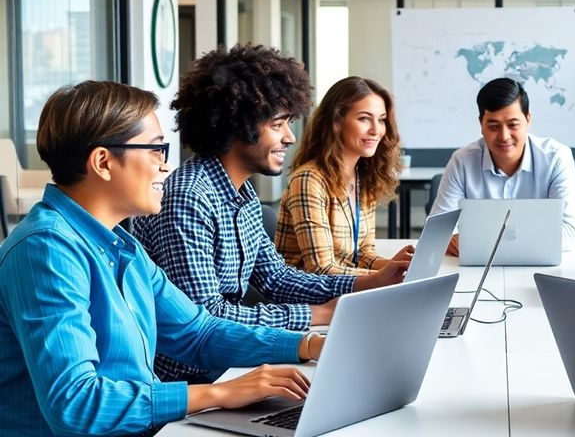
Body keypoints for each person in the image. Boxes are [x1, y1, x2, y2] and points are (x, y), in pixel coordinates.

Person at [0, 81, 330, 436]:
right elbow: (76, 403)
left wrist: (305, 345)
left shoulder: (121, 245)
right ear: (103, 162)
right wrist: (217, 393)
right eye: (157, 150)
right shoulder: (47, 250)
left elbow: (197, 333)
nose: (165, 167)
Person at [133, 45, 407, 383]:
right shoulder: (188, 197)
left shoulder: (242, 192)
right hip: (199, 376)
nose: (290, 137)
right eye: (278, 124)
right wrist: (318, 314)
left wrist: (366, 283)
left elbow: (276, 278)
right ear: (238, 125)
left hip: (236, 360)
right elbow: (209, 317)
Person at [275, 76, 414, 276]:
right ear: (337, 122)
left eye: (381, 120)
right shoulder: (309, 180)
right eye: (364, 118)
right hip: (310, 300)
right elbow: (320, 269)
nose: (376, 130)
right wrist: (383, 277)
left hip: (347, 293)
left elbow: (362, 254)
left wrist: (396, 266)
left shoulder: (362, 178)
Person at [430, 77, 575, 255]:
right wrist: (450, 238)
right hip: (475, 269)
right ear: (481, 124)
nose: (504, 136)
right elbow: (439, 231)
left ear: (528, 120)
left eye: (513, 125)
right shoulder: (462, 161)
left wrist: (480, 242)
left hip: (538, 266)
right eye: (493, 126)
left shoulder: (556, 157)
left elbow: (568, 234)